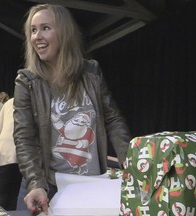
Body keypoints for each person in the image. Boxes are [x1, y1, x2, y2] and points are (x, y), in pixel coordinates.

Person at [13, 4, 131, 214]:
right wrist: (35, 183)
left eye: (45, 28)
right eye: (33, 30)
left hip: (91, 185)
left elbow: (113, 120)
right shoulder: (27, 80)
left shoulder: (91, 71)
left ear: (64, 32)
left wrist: (130, 163)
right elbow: (24, 137)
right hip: (48, 187)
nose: (37, 36)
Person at [0, 98, 22, 210]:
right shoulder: (38, 101)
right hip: (24, 155)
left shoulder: (8, 103)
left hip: (4, 153)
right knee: (15, 197)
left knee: (0, 198)